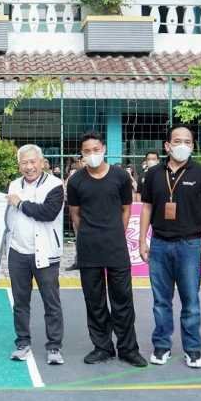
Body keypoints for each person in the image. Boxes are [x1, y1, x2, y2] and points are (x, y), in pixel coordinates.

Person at [139, 125, 201, 369]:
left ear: (192, 146)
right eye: (177, 141)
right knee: (161, 301)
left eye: (187, 141)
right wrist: (142, 240)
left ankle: (192, 349)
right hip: (159, 244)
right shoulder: (154, 174)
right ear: (167, 146)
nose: (182, 145)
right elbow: (146, 208)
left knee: (190, 301)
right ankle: (161, 345)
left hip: (190, 245)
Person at [66, 132, 147, 368]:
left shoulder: (120, 176)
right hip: (88, 248)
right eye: (87, 151)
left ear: (103, 149)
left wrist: (115, 233)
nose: (92, 154)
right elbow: (75, 215)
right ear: (82, 154)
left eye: (96, 149)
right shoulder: (76, 181)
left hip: (115, 247)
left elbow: (126, 209)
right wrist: (87, 236)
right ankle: (102, 347)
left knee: (123, 300)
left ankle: (128, 349)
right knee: (95, 301)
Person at [6, 144, 65, 365]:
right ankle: (22, 343)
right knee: (20, 302)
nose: (29, 167)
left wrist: (20, 203)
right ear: (19, 164)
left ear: (42, 162)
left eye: (33, 162)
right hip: (17, 252)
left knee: (51, 301)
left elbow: (47, 213)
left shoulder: (55, 184)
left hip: (46, 253)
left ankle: (54, 347)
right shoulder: (13, 185)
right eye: (24, 162)